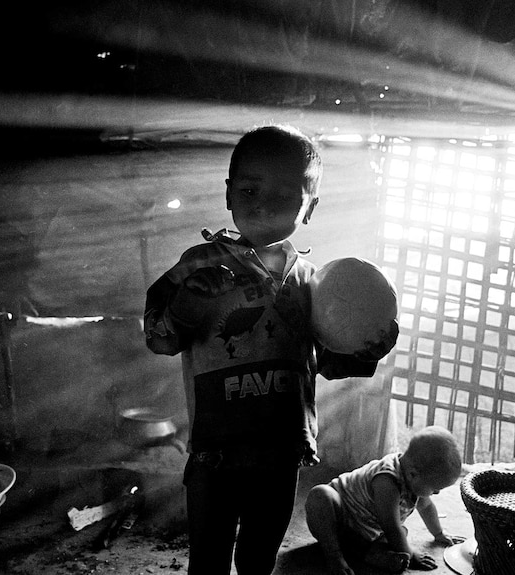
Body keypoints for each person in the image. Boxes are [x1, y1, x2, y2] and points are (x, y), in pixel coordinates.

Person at [144, 124, 398, 575]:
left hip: (282, 452)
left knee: (259, 558)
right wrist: (186, 305)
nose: (262, 203)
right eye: (249, 189)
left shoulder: (317, 283)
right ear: (228, 194)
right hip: (214, 452)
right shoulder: (198, 265)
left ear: (311, 208)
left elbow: (332, 363)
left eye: (285, 196)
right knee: (207, 561)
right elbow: (160, 338)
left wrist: (369, 347)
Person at [305, 426, 466, 574]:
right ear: (412, 474)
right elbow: (390, 525)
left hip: (365, 531)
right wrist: (411, 553)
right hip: (338, 518)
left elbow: (426, 507)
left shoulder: (415, 481)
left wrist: (438, 533)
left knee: (401, 535)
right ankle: (335, 556)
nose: (436, 492)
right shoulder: (387, 480)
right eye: (435, 488)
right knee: (320, 495)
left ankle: (369, 555)